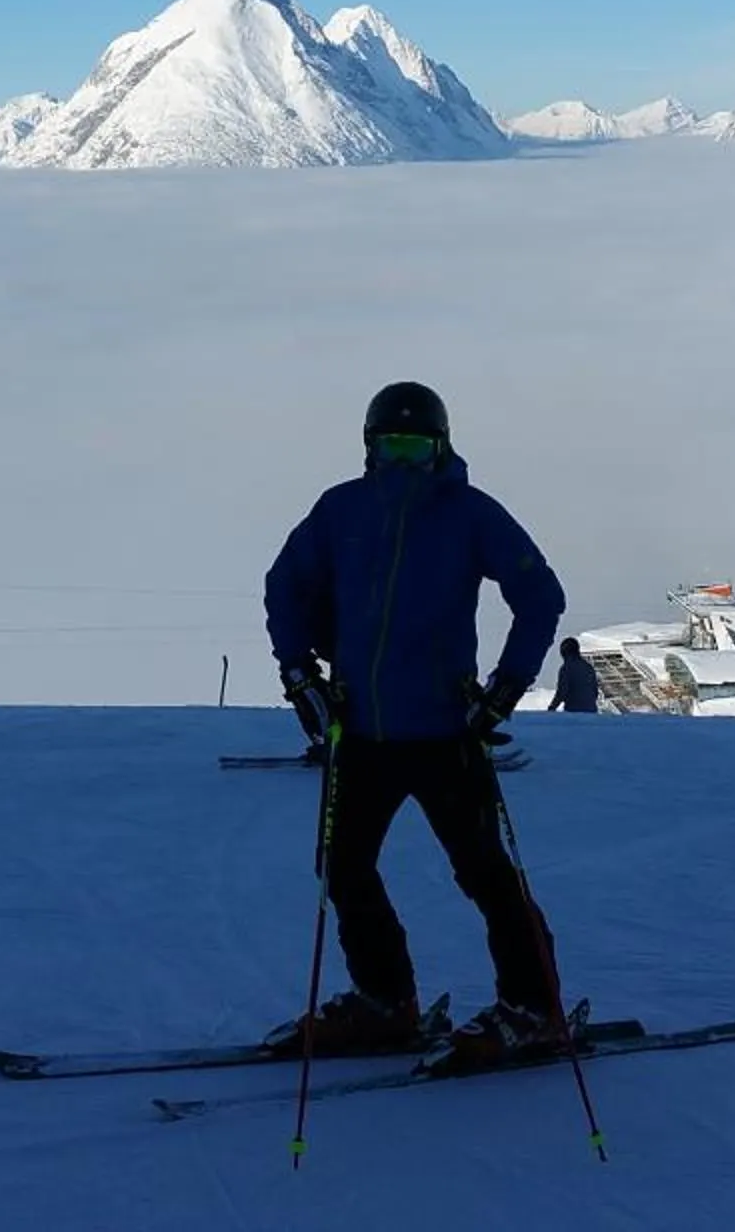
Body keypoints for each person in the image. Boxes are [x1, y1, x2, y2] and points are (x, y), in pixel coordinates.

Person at [262, 381, 570, 1071]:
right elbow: (284, 585)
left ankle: (534, 1012)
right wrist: (298, 674)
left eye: (416, 445)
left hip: (444, 734)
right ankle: (384, 1002)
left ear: (442, 447)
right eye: (389, 444)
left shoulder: (468, 514)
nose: (403, 460)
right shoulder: (340, 509)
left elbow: (540, 596)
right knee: (342, 867)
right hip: (361, 731)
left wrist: (507, 688)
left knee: (486, 875)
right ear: (369, 446)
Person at [547, 637, 599, 713]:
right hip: (591, 712)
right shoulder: (588, 667)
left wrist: (552, 708)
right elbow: (595, 691)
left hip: (574, 712)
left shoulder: (566, 668)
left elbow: (562, 692)